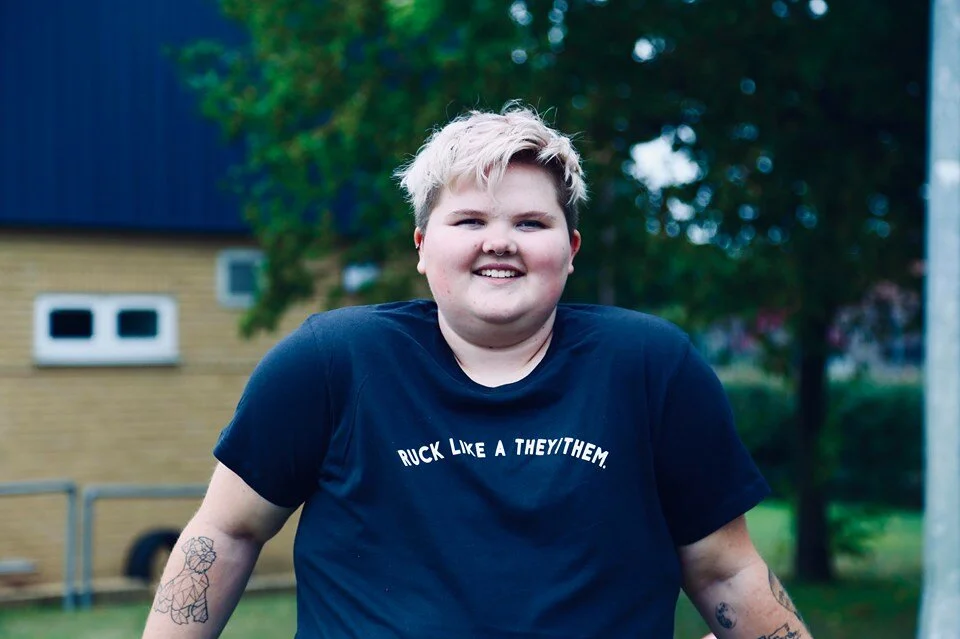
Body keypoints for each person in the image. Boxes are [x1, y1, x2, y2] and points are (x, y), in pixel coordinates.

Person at [141, 104, 813, 639]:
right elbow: (226, 531)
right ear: (422, 246)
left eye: (531, 222)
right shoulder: (332, 361)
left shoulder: (650, 367)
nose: (500, 241)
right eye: (468, 219)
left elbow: (724, 570)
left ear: (570, 249)